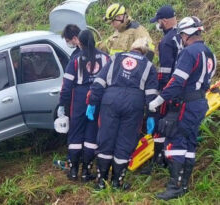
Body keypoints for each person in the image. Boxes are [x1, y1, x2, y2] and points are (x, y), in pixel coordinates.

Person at [149, 16, 217, 200]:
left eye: (181, 36)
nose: (180, 39)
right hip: (200, 102)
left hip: (186, 103)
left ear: (186, 34)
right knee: (189, 142)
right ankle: (183, 184)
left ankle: (175, 186)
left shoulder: (189, 53)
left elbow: (178, 81)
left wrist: (160, 99)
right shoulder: (209, 53)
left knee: (176, 142)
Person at [87, 38, 158, 190]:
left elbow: (99, 81)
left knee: (106, 138)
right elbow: (151, 95)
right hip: (134, 104)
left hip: (110, 100)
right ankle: (117, 183)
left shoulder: (116, 58)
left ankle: (101, 181)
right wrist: (152, 115)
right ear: (145, 52)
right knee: (125, 142)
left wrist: (93, 102)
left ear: (131, 47)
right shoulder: (149, 66)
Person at [58, 29, 109, 181]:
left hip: (79, 99)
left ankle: (74, 170)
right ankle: (86, 170)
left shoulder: (75, 60)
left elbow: (66, 86)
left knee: (75, 133)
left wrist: (62, 105)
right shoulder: (106, 58)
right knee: (91, 134)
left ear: (79, 43)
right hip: (98, 97)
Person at [141, 5, 184, 174]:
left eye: (158, 22)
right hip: (182, 88)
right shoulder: (182, 36)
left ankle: (158, 160)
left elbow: (165, 71)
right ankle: (167, 156)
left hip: (169, 88)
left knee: (160, 124)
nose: (157, 25)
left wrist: (159, 93)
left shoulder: (166, 41)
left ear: (164, 21)